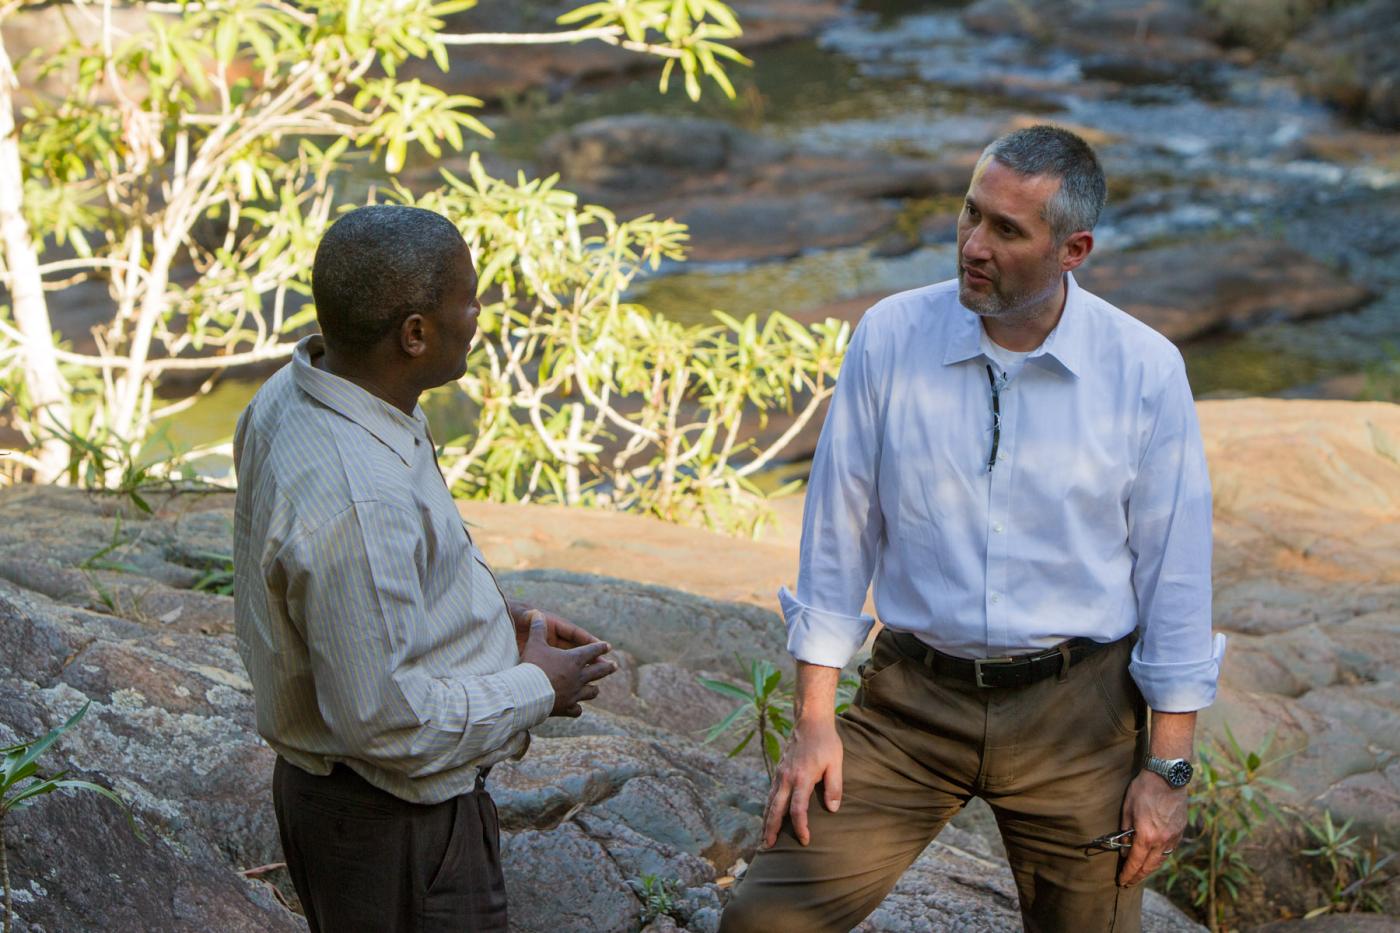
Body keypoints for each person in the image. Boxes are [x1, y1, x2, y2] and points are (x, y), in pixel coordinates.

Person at [719, 125, 1224, 933]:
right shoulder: (890, 334)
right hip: (912, 706)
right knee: (763, 922)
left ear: (1074, 249)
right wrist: (815, 720)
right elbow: (839, 536)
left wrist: (1166, 768)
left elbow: (1175, 576)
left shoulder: (1145, 369)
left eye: (1007, 230)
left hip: (1079, 717)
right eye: (970, 214)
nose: (973, 245)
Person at [232, 204, 617, 933]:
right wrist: (538, 685)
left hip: (352, 805)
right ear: (415, 333)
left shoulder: (297, 392)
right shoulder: (358, 497)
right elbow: (387, 722)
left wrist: (500, 627)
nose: (477, 315)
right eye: (467, 299)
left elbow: (357, 606)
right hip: (394, 825)